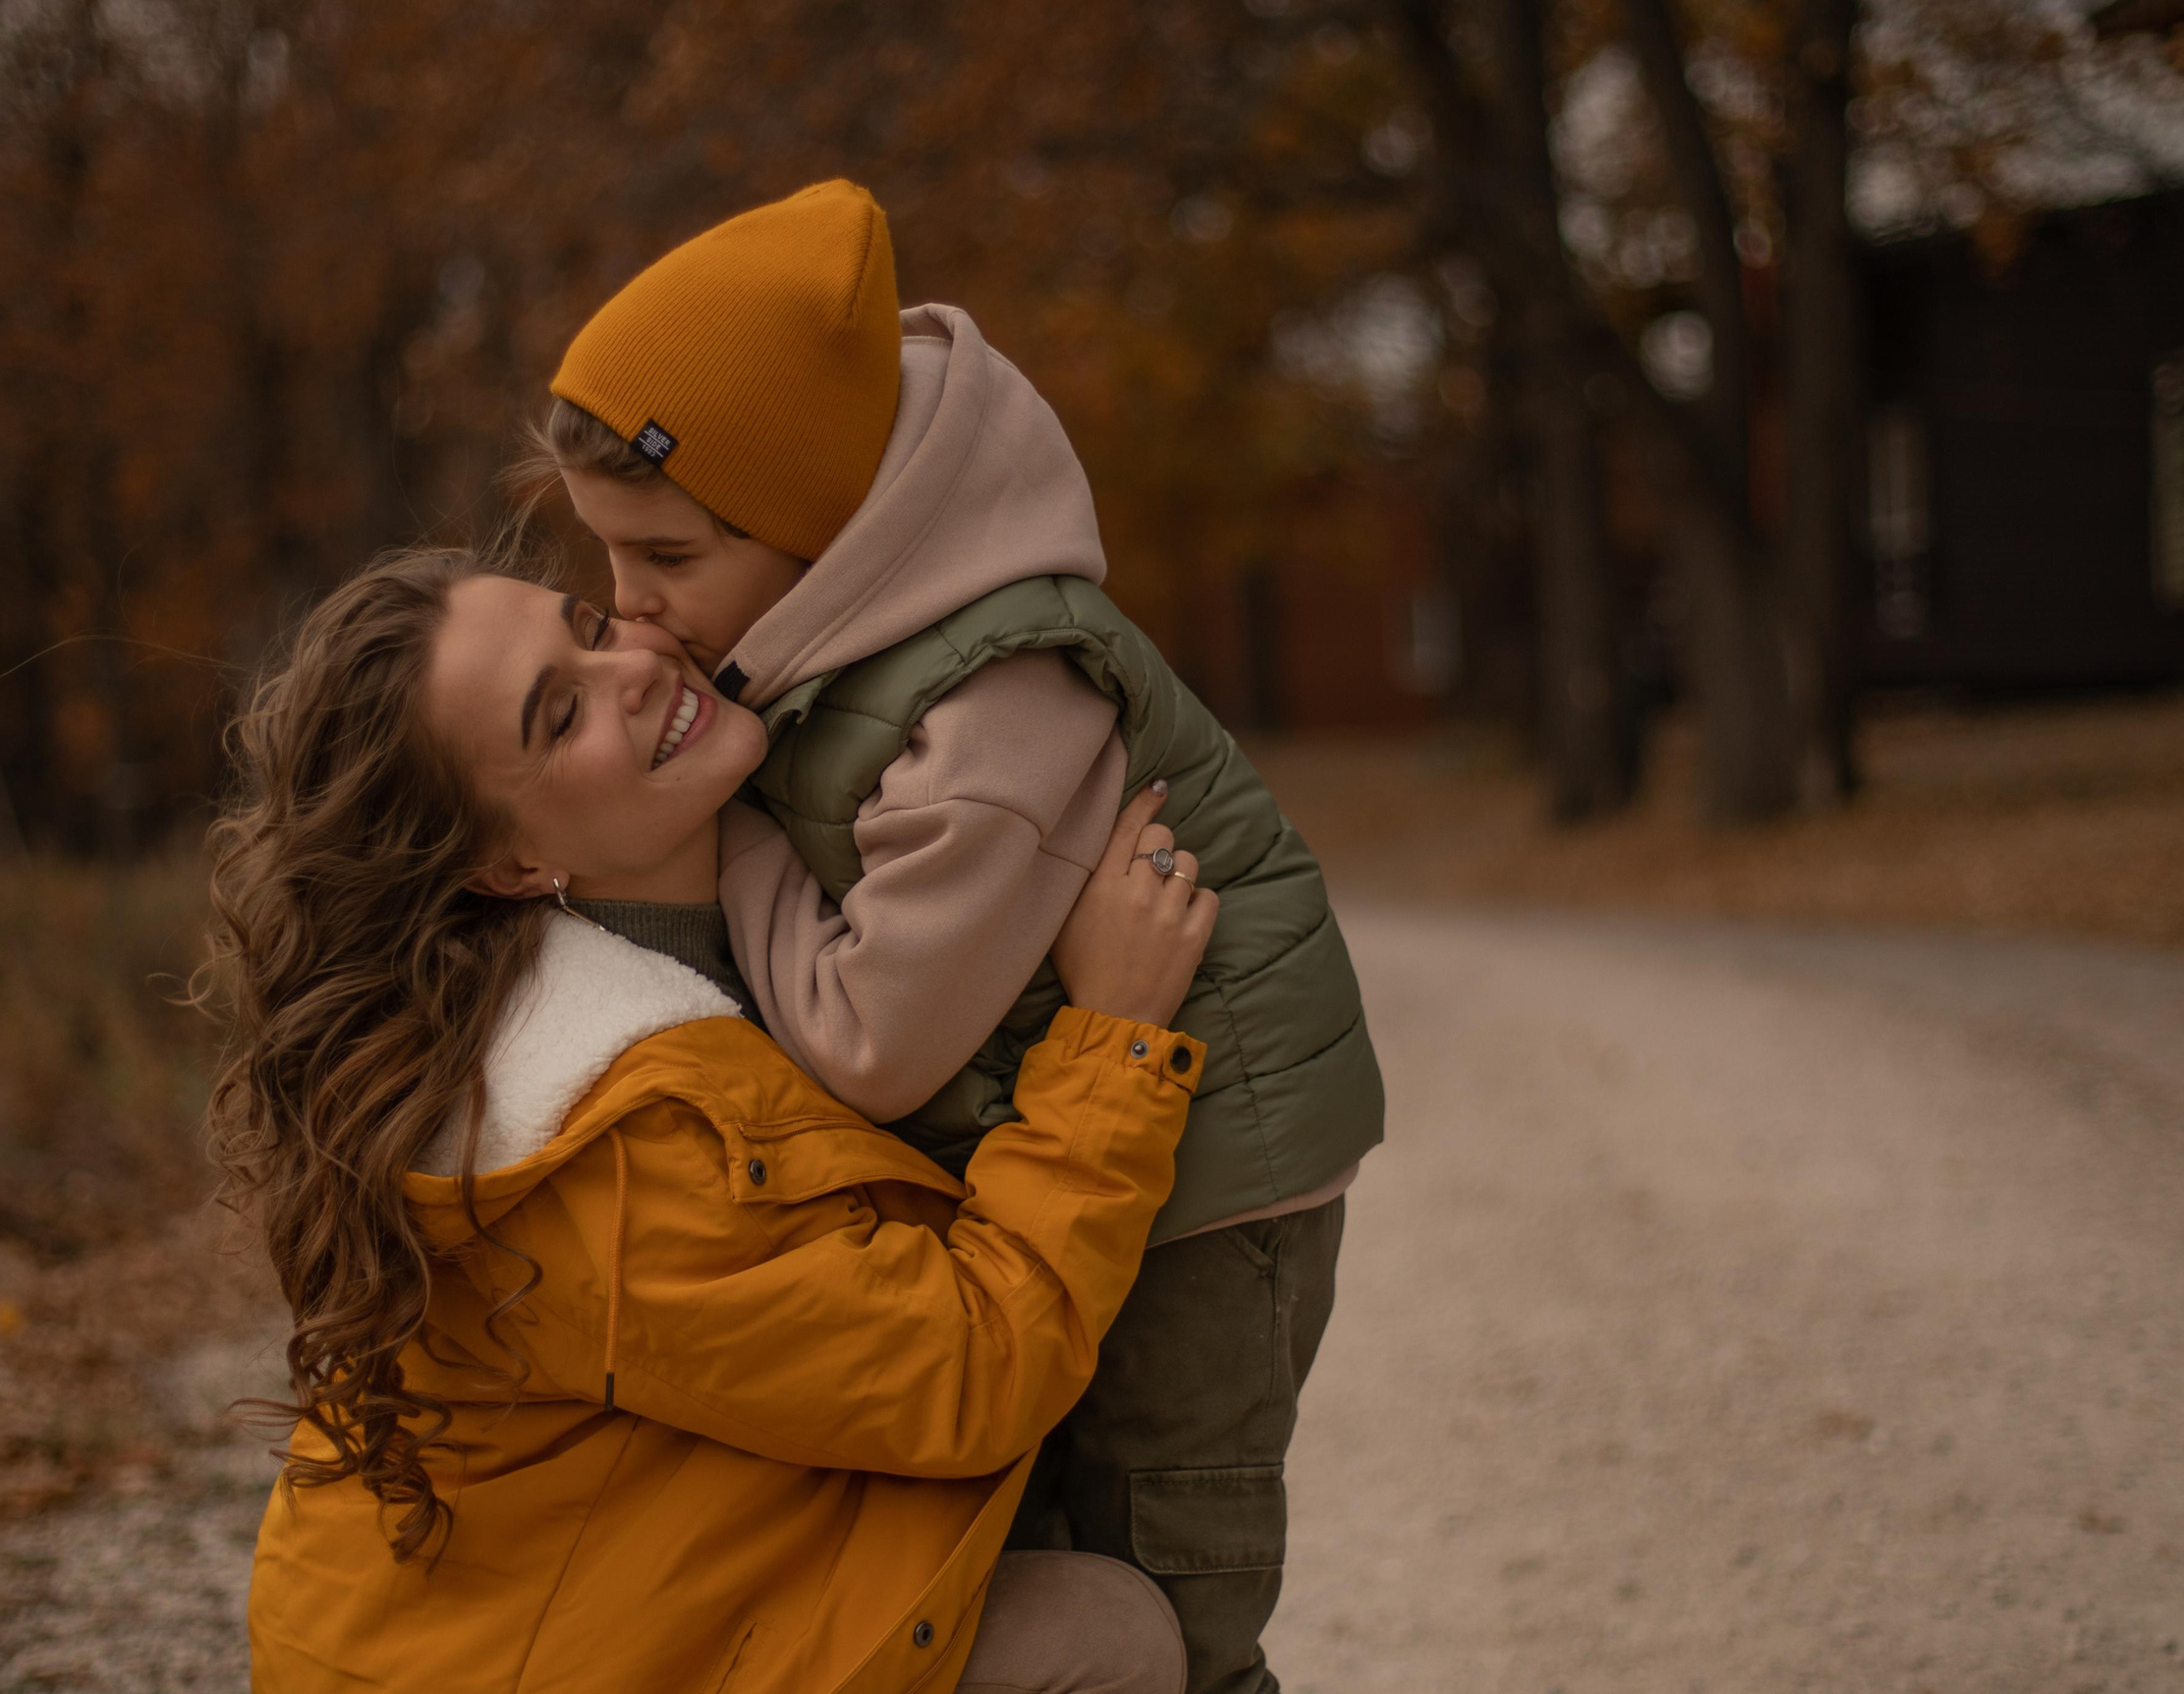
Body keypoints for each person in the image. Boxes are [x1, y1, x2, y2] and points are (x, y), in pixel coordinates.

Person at [523, 180, 1384, 1694]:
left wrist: (722, 837)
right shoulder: (851, 638)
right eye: (608, 561)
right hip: (1089, 1155)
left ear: (820, 525)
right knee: (1031, 1543)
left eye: (663, 559)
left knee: (1165, 1589)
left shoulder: (992, 695)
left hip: (1207, 1190)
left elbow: (873, 1041)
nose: (633, 607)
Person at [206, 547, 1219, 1693]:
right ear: (510, 860)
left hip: (607, 1626)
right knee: (1100, 1633)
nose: (629, 666)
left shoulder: (754, 935)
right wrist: (1112, 1040)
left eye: (589, 625)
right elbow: (967, 1366)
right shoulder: (595, 1141)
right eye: (559, 712)